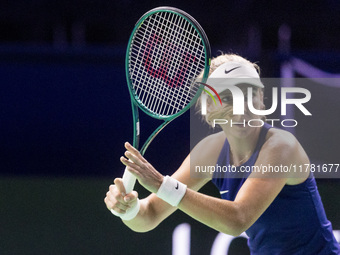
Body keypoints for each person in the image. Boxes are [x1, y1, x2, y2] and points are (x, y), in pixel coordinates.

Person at [104, 53, 340, 254]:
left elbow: (237, 219)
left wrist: (160, 183)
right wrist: (129, 209)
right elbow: (150, 214)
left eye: (249, 94)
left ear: (262, 98)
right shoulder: (210, 151)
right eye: (227, 97)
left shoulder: (281, 147)